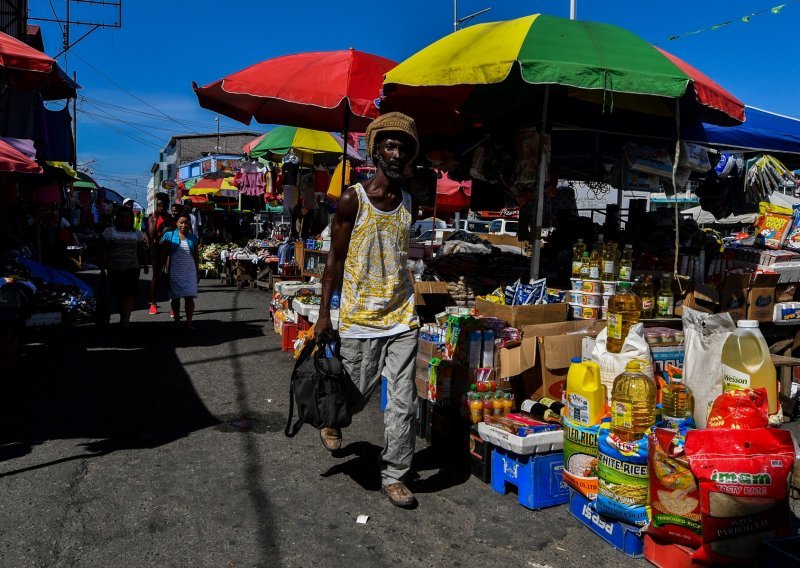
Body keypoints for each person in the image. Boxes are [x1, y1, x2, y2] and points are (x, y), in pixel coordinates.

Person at [315, 112, 421, 508]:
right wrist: (325, 315)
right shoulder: (351, 199)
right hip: (360, 318)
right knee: (354, 397)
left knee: (403, 401)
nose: (396, 153)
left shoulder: (410, 201)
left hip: (401, 316)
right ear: (375, 152)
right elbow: (334, 260)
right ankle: (332, 418)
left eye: (403, 147)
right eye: (390, 146)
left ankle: (395, 474)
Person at [101, 205, 148, 328]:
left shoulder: (137, 234)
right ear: (117, 218)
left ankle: (126, 319)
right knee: (117, 295)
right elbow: (104, 251)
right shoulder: (109, 232)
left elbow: (142, 251)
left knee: (129, 293)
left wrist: (145, 265)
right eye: (121, 217)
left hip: (132, 268)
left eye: (127, 218)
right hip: (114, 269)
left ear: (130, 219)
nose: (124, 220)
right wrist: (102, 267)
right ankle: (123, 315)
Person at [161, 211, 199, 330]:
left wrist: (197, 272)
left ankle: (189, 322)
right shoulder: (169, 236)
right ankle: (177, 318)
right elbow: (164, 255)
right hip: (175, 270)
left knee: (189, 297)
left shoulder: (193, 238)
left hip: (189, 271)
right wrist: (164, 271)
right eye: (181, 223)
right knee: (176, 297)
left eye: (186, 223)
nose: (184, 225)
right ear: (176, 223)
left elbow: (196, 256)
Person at [147, 193, 173, 315]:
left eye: (163, 205)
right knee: (156, 276)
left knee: (171, 276)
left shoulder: (170, 218)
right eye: (159, 205)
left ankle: (174, 305)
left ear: (167, 206)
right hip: (156, 248)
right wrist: (156, 219)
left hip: (168, 249)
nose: (160, 207)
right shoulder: (152, 217)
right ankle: (153, 304)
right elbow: (151, 236)